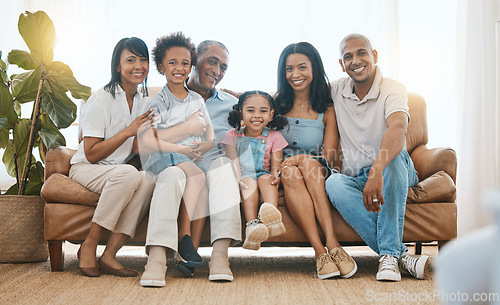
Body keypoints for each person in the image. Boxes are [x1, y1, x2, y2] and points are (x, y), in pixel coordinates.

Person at [325, 33, 428, 282]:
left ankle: (390, 254)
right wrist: (241, 95)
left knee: (392, 159)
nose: (356, 60)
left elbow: (398, 129)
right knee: (332, 183)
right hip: (356, 177)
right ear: (341, 64)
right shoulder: (336, 89)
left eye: (362, 53)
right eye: (347, 56)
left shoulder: (393, 88)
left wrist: (377, 169)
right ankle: (398, 256)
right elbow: (295, 93)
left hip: (394, 167)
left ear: (374, 56)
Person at [139, 39, 241, 285]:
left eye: (223, 67)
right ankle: (156, 259)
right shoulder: (159, 98)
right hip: (175, 165)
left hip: (213, 170)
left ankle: (219, 257)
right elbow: (145, 141)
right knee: (173, 175)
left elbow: (260, 118)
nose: (217, 71)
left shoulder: (232, 104)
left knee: (223, 169)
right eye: (212, 61)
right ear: (196, 62)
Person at [69, 37, 155, 278]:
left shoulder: (144, 102)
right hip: (86, 167)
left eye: (143, 59)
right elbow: (91, 153)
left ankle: (109, 255)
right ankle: (90, 243)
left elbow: (138, 152)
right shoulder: (100, 99)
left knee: (149, 179)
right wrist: (129, 130)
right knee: (128, 173)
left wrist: (146, 139)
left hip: (119, 171)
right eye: (131, 60)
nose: (139, 65)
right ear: (117, 66)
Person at [275, 42, 357, 280]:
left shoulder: (327, 108)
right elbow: (253, 107)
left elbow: (329, 156)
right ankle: (320, 251)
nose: (295, 74)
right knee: (291, 173)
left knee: (308, 165)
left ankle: (333, 243)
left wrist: (302, 158)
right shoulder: (277, 104)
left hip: (316, 167)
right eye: (289, 69)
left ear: (314, 68)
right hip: (286, 171)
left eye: (302, 67)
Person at [222, 91, 288, 250]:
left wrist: (276, 178)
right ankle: (252, 225)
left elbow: (275, 166)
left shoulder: (274, 136)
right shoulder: (232, 135)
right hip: (243, 174)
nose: (257, 115)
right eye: (251, 110)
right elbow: (233, 162)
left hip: (263, 173)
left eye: (263, 111)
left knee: (267, 180)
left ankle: (273, 219)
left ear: (271, 115)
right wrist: (237, 180)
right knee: (248, 183)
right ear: (241, 113)